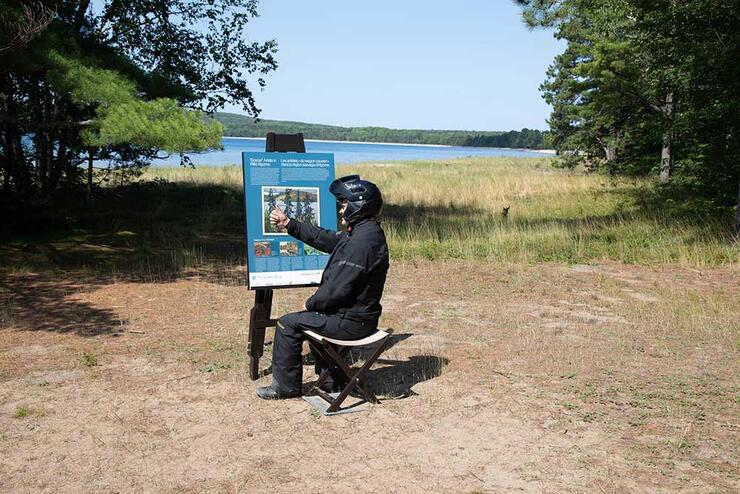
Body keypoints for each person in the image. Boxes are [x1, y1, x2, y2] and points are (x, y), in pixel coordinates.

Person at [256, 174, 390, 400]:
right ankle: (332, 379)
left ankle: (285, 387)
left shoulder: (361, 242)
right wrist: (290, 224)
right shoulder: (363, 232)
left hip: (352, 322)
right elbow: (325, 238)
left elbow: (339, 288)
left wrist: (311, 303)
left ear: (359, 205)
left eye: (344, 204)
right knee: (317, 316)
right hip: (355, 317)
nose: (341, 211)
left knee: (288, 323)